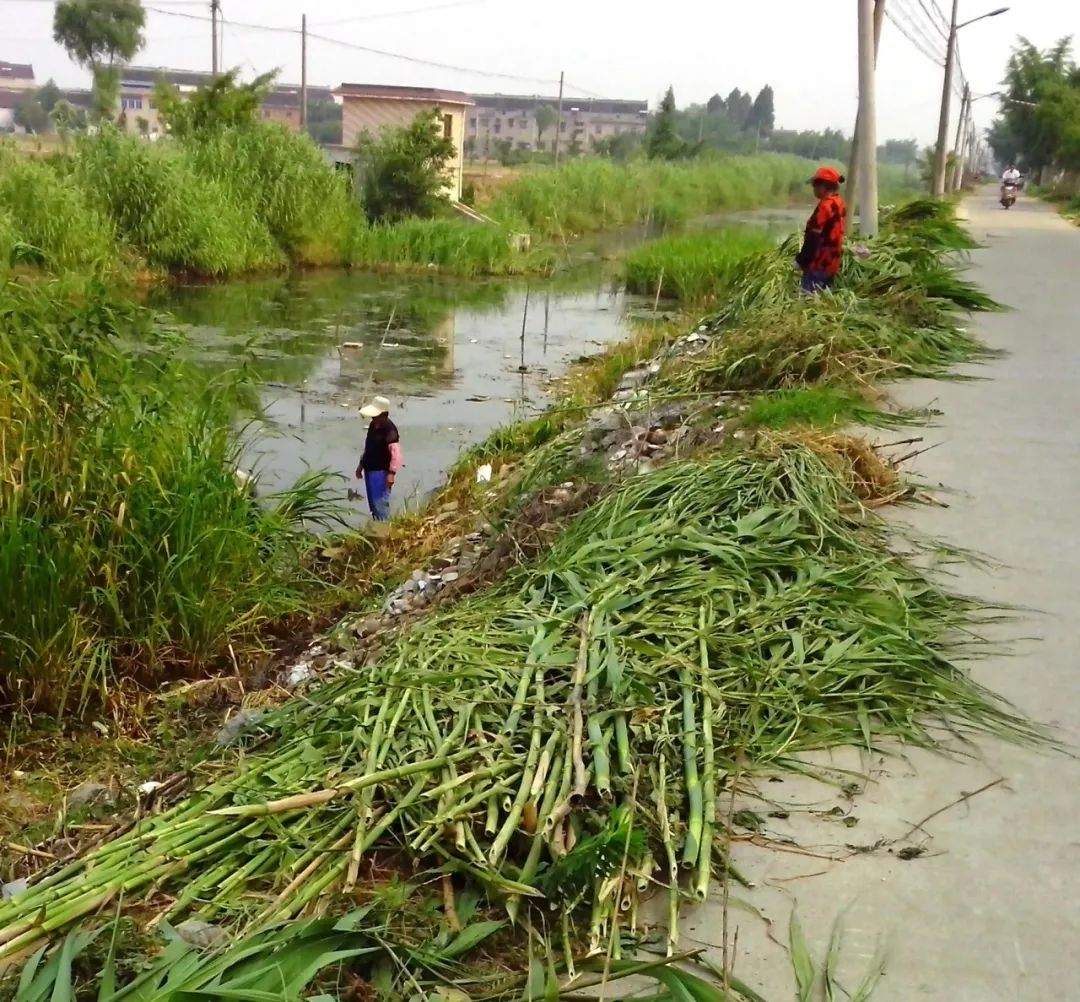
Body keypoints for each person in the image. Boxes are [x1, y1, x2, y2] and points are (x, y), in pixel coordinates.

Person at [795, 166, 847, 295]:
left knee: (807, 302)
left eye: (814, 185)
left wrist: (801, 261)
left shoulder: (825, 207)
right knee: (822, 303)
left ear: (823, 186)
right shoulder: (839, 202)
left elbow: (813, 238)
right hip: (832, 264)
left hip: (818, 264)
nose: (813, 189)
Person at [354, 395, 401, 522]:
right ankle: (376, 526)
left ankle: (384, 529)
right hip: (370, 469)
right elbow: (368, 447)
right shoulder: (373, 426)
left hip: (381, 472)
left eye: (376, 416)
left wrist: (391, 474)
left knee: (380, 503)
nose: (373, 418)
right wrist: (361, 465)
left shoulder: (389, 430)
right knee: (373, 504)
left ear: (384, 415)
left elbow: (396, 454)